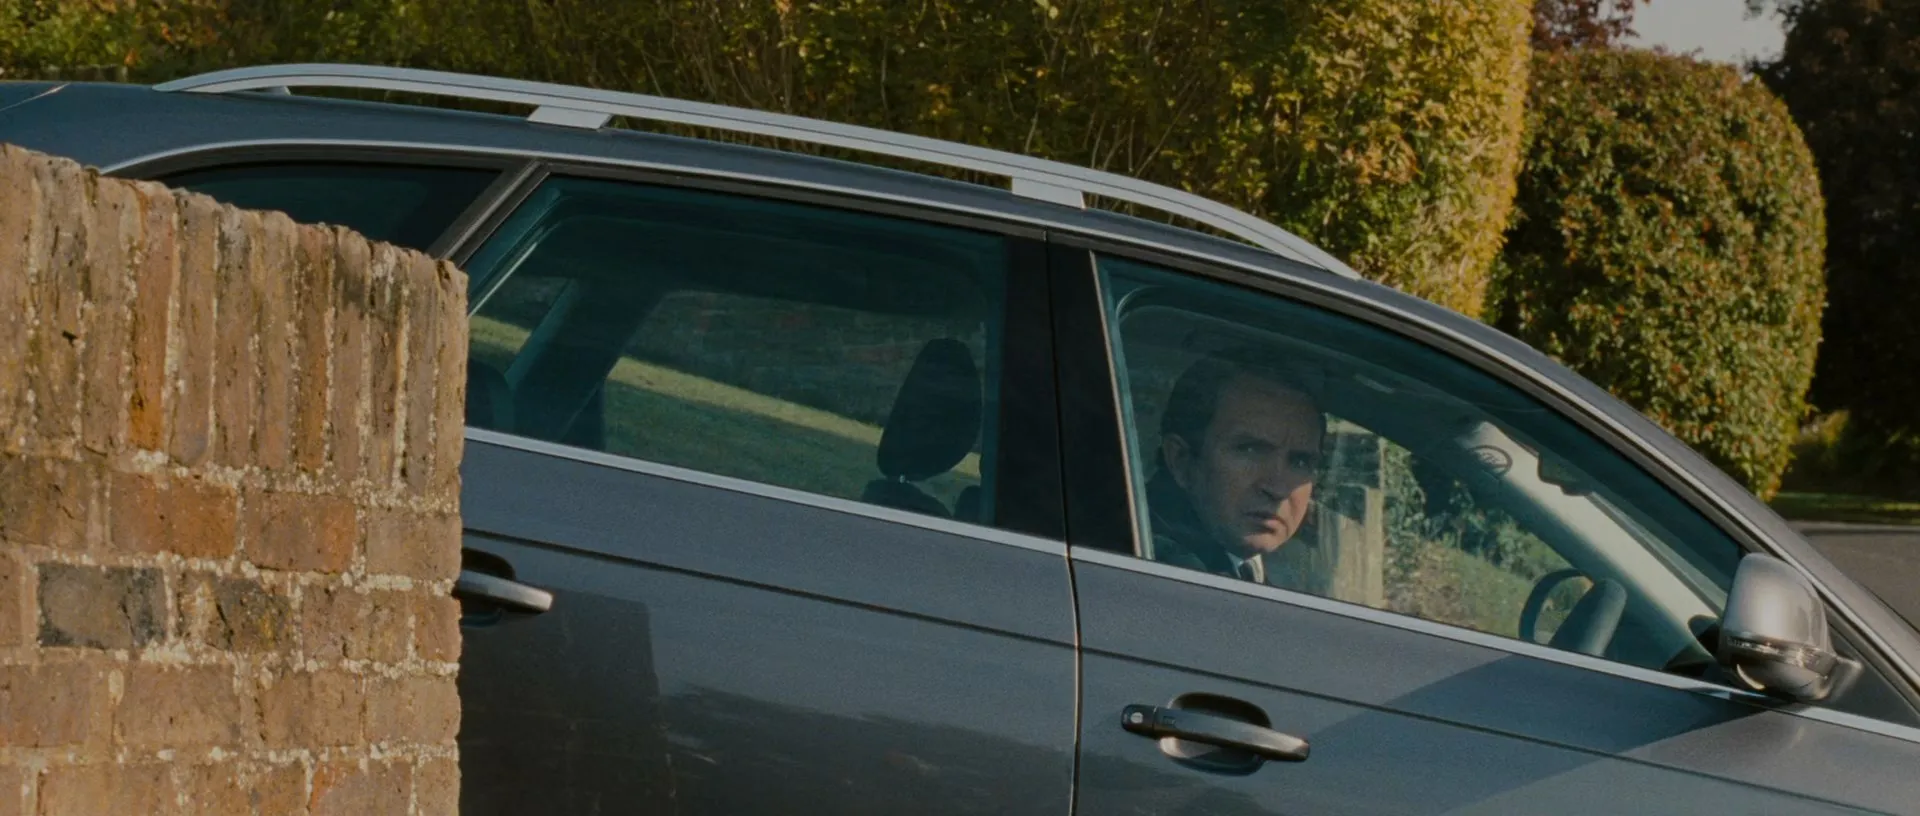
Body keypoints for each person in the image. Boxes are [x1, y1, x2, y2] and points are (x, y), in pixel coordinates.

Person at [1145, 350, 1326, 585]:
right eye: (1250, 450)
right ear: (1181, 460)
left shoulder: (1271, 570)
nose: (1278, 489)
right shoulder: (1161, 565)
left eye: (1300, 462)